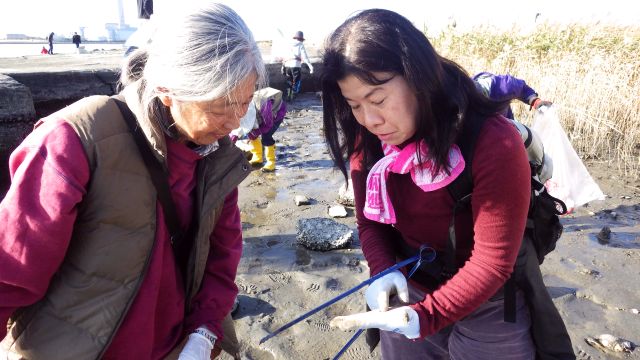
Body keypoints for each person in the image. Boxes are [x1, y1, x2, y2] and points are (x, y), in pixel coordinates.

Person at [0, 3, 266, 360]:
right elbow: (10, 273)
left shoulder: (217, 159)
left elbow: (221, 260)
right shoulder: (77, 140)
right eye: (220, 108)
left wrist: (204, 332)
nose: (235, 123)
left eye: (245, 104)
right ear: (167, 89)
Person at [320, 9, 573, 360]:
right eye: (354, 105)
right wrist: (381, 271)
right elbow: (371, 222)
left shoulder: (492, 142)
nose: (370, 119)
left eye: (377, 100)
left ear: (417, 76)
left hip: (490, 299)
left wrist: (429, 316)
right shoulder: (369, 140)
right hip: (410, 286)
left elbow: (493, 262)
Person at [473, 71, 552, 119]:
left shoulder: (502, 86)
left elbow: (522, 88)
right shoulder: (464, 103)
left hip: (506, 122)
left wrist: (535, 101)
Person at [281, 30, 314, 101]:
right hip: (296, 66)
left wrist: (283, 66)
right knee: (296, 82)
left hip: (287, 66)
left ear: (295, 38)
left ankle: (287, 96)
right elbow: (305, 57)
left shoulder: (288, 44)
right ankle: (293, 97)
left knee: (289, 81)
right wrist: (310, 67)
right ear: (301, 39)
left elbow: (284, 57)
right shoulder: (300, 45)